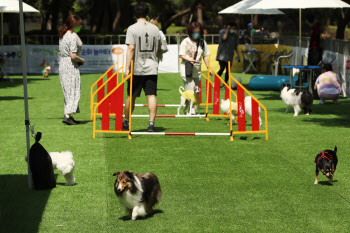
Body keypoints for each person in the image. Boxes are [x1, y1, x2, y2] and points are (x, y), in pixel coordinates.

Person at [123, 3, 162, 132]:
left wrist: (126, 68)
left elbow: (131, 48)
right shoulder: (155, 29)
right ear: (147, 13)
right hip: (151, 66)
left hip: (137, 68)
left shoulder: (132, 28)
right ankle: (151, 124)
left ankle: (126, 122)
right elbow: (159, 48)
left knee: (131, 96)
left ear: (135, 14)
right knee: (151, 95)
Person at [179, 21, 211, 114]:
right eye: (194, 31)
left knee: (196, 89)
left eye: (198, 31)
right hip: (187, 68)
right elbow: (181, 55)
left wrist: (208, 67)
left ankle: (189, 107)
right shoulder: (185, 41)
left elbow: (205, 56)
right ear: (190, 31)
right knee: (190, 87)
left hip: (197, 69)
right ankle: (192, 109)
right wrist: (190, 60)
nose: (196, 33)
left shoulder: (202, 42)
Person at [58, 15, 85, 125]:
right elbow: (73, 55)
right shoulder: (72, 37)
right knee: (73, 90)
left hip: (63, 64)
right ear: (75, 25)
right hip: (70, 65)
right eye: (79, 24)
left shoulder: (63, 35)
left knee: (67, 91)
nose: (80, 26)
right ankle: (68, 116)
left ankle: (67, 115)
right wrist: (81, 60)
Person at [216, 21, 240, 87]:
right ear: (228, 26)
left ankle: (225, 83)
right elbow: (224, 38)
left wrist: (238, 55)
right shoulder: (222, 32)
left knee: (228, 70)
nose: (233, 29)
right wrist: (227, 30)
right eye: (232, 28)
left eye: (234, 28)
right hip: (222, 55)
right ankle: (216, 82)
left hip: (230, 55)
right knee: (222, 68)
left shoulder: (235, 35)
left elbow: (235, 46)